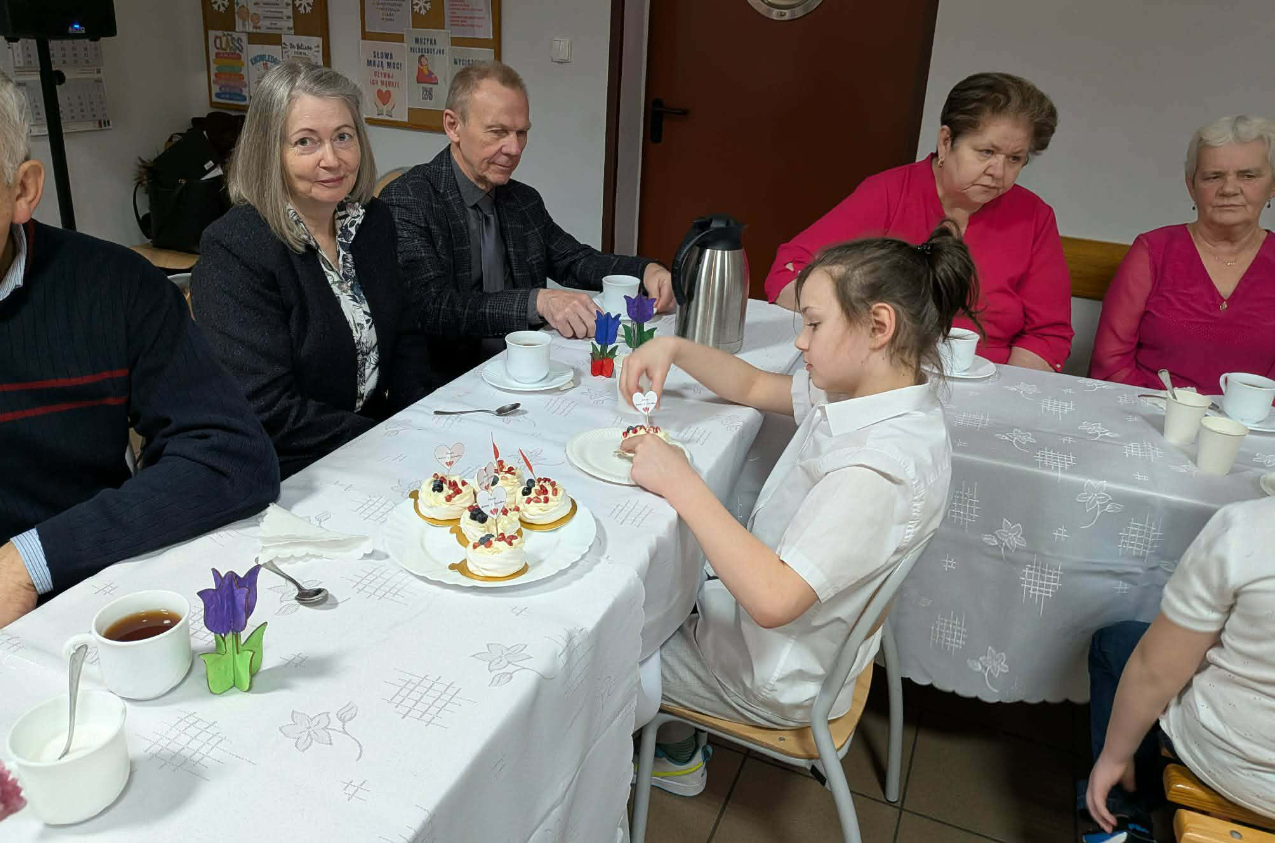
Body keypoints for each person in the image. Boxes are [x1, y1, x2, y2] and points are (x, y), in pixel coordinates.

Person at [618, 224, 979, 795]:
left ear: (878, 326)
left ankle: (671, 756)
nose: (801, 343)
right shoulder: (876, 395)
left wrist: (680, 480)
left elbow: (772, 599)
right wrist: (675, 349)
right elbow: (753, 386)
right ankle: (672, 740)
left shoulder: (876, 470)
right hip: (792, 642)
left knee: (604, 649)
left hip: (767, 676)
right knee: (666, 578)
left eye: (813, 324)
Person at [0, 56, 278, 641]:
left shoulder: (113, 288)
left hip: (84, 604)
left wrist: (27, 562)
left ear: (22, 189)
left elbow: (230, 456)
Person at [193, 61, 432, 479]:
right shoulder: (234, 249)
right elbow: (267, 410)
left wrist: (418, 424)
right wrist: (386, 440)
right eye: (306, 142)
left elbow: (405, 337)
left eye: (343, 136)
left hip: (368, 448)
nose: (332, 159)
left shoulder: (372, 221)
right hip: (280, 468)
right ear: (270, 153)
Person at [380, 61, 674, 380]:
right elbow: (434, 307)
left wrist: (646, 270)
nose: (514, 148)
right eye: (498, 132)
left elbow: (575, 260)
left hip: (526, 372)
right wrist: (538, 302)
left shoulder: (522, 199)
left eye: (521, 133)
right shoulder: (409, 198)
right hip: (443, 383)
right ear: (453, 126)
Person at [765, 72, 1072, 372]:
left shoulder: (1034, 216)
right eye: (986, 152)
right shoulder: (889, 193)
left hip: (991, 377)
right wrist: (855, 322)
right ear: (946, 141)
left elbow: (1047, 335)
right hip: (882, 373)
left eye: (1015, 159)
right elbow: (787, 273)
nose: (999, 172)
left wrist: (1004, 392)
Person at [1083, 497, 1275, 841]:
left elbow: (1154, 670)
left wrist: (1114, 757)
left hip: (1233, 766)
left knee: (1114, 645)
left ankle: (1124, 808)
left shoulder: (1251, 527)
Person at [1090, 116, 1275, 393]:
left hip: (1255, 419)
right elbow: (1110, 361)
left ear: (1272, 186)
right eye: (1213, 176)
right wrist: (1167, 410)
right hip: (1148, 411)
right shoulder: (1152, 251)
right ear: (1191, 186)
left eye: (1248, 176)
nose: (1228, 189)